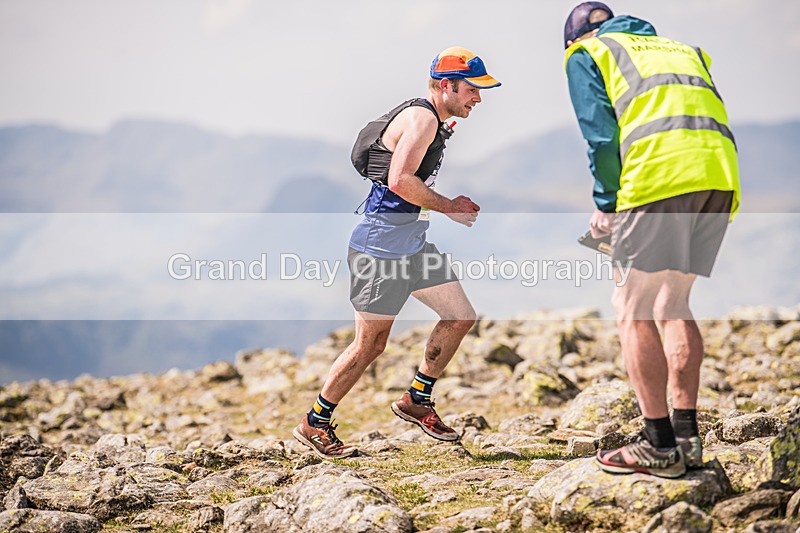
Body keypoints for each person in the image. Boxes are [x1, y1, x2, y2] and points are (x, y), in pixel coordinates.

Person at [292, 47, 501, 459]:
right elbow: (401, 180)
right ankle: (314, 423)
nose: (478, 98)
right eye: (474, 89)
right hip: (381, 246)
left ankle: (416, 400)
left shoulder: (433, 120)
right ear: (447, 85)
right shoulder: (423, 119)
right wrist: (450, 206)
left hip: (410, 240)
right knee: (369, 346)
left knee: (460, 316)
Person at [563, 3, 740, 478]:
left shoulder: (588, 53)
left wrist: (606, 205)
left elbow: (601, 138)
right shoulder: (682, 49)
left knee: (631, 306)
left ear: (575, 38)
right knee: (673, 303)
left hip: (660, 178)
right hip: (718, 175)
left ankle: (659, 445)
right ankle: (687, 438)